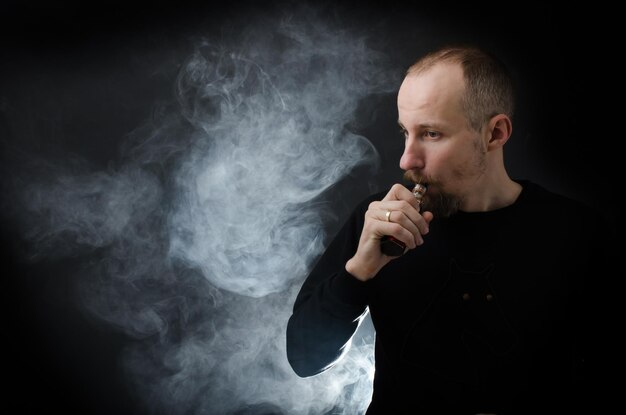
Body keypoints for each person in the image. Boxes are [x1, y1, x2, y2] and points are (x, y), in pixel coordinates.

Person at [286, 45, 608, 413]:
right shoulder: (377, 221)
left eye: (432, 134)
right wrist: (359, 271)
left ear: (495, 133)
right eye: (406, 131)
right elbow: (304, 358)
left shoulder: (575, 232)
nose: (407, 159)